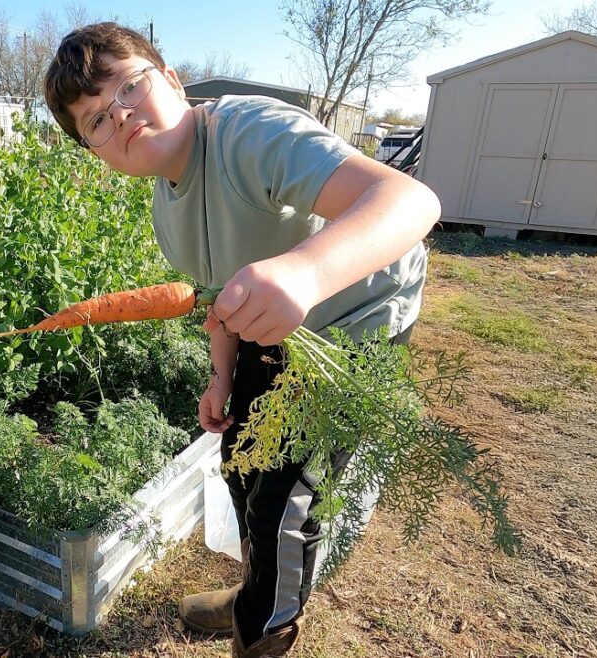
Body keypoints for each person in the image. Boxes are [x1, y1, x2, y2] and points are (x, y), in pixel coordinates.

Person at [44, 22, 439, 658]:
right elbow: (221, 298)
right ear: (96, 152)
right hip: (273, 325)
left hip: (351, 324)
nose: (118, 114)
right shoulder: (165, 210)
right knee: (239, 460)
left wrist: (307, 272)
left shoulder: (249, 134)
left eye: (128, 86)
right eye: (93, 119)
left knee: (285, 500)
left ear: (171, 81)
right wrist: (221, 376)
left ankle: (264, 631)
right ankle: (258, 584)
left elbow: (409, 200)